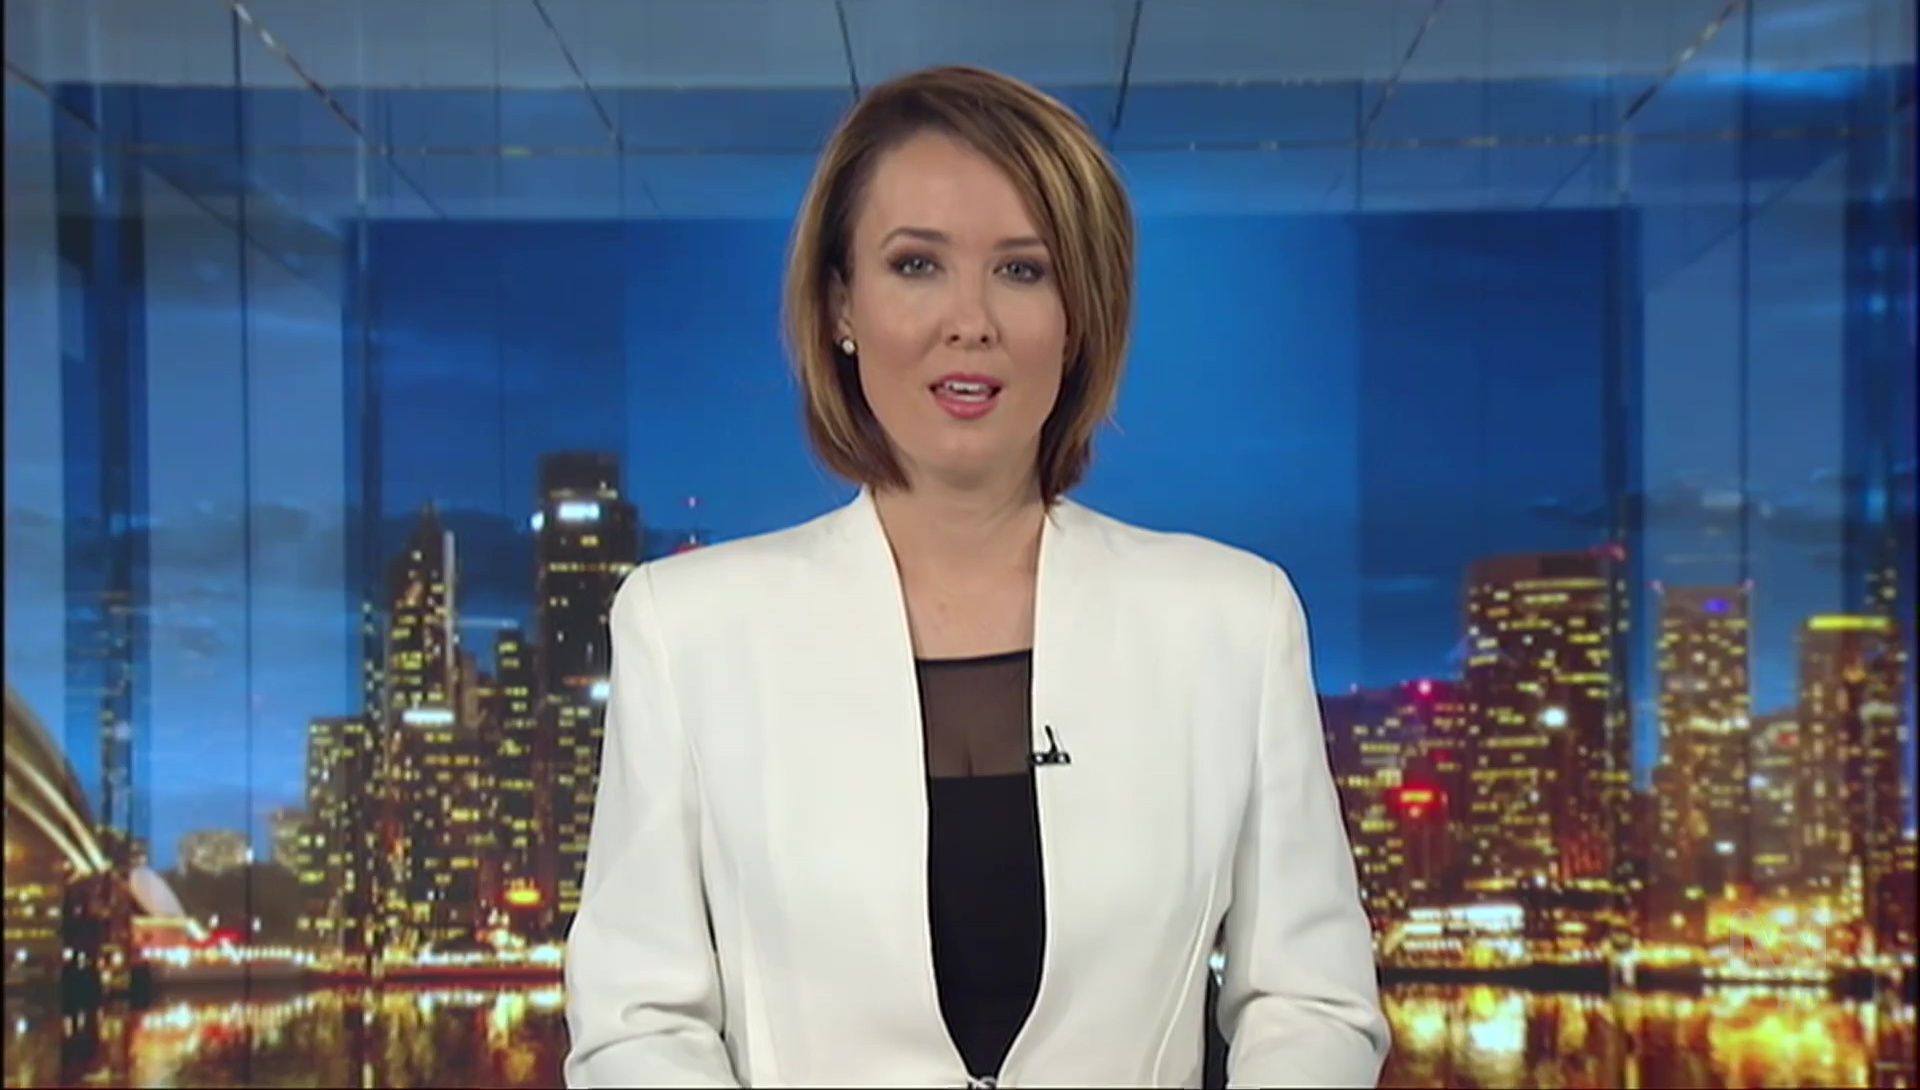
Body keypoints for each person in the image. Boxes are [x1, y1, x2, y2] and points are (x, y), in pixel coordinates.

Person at [563, 64, 1388, 1089]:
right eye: (916, 265)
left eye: (1022, 270)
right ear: (840, 305)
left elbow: (1309, 1002)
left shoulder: (1233, 622)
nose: (971, 320)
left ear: (1079, 315)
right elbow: (636, 1022)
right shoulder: (685, 630)